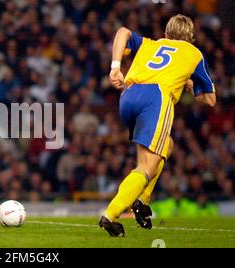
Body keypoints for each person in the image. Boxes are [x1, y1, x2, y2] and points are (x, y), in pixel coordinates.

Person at [100, 14, 217, 236]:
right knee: (146, 166)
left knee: (167, 145)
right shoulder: (193, 53)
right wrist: (190, 85)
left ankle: (142, 202)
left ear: (166, 34)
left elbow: (122, 32)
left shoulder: (151, 44)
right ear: (190, 38)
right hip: (156, 98)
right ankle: (110, 215)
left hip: (128, 95)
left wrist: (115, 67)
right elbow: (210, 100)